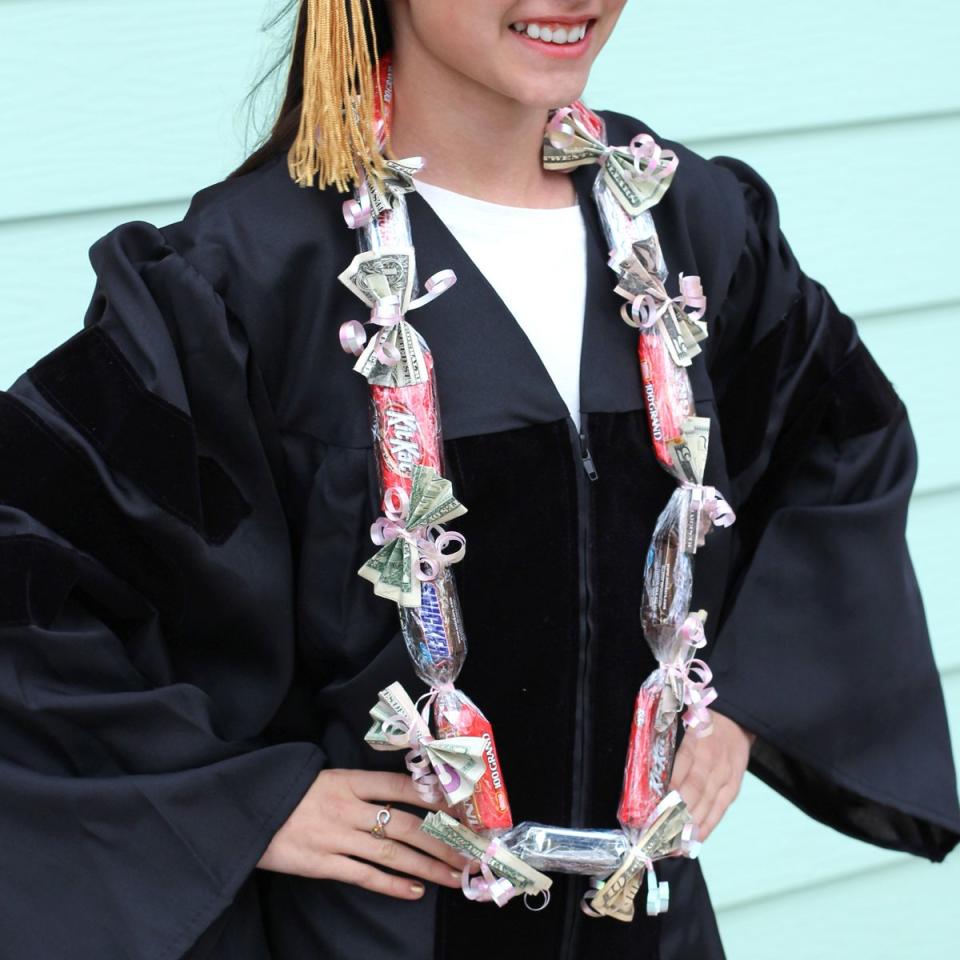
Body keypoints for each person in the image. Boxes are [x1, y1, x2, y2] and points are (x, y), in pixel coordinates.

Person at [1, 1, 957, 958]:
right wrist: (242, 805)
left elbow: (836, 440)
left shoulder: (685, 226)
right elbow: (29, 566)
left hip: (651, 928)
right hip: (372, 936)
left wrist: (748, 697)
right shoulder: (253, 277)